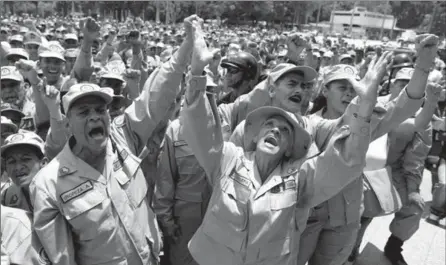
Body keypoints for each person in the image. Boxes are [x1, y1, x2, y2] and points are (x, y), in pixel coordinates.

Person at [179, 19, 376, 265]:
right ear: (254, 134)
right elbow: (199, 128)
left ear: (291, 147)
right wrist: (196, 72)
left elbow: (345, 161)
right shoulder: (228, 159)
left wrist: (364, 108)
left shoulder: (300, 178)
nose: (275, 130)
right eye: (269, 124)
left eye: (284, 129)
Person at [29, 15, 201, 265]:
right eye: (84, 112)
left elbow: (155, 95)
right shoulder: (48, 184)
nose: (95, 117)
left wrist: (187, 44)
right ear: (67, 125)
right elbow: (61, 258)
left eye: (100, 110)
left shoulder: (123, 138)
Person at [153, 73, 217, 265]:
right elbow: (165, 179)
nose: (203, 98)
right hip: (185, 221)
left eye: (208, 93)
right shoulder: (174, 130)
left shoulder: (223, 127)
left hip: (217, 217)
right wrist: (167, 221)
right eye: (197, 93)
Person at [1, 131, 46, 212]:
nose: (18, 167)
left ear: (43, 162)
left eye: (25, 159)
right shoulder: (6, 196)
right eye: (11, 161)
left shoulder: (57, 190)